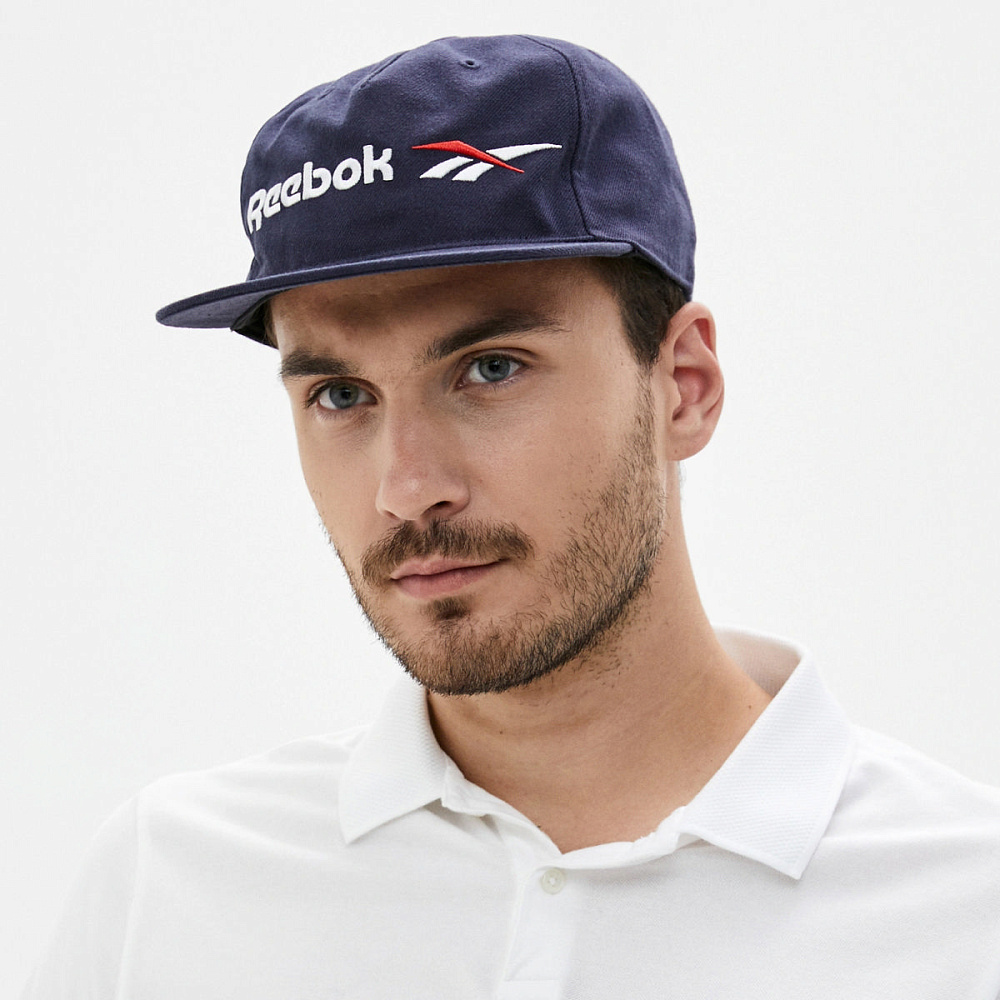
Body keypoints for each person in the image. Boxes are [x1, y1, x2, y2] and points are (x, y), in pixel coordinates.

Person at [23, 34, 1000, 999]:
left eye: (490, 369)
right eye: (340, 395)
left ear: (684, 387)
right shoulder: (172, 889)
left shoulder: (963, 913)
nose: (406, 488)